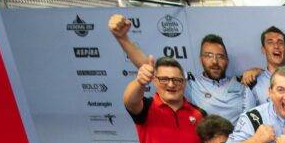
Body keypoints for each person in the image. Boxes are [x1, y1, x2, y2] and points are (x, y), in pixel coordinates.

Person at [108, 15, 252, 124]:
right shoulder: (190, 84)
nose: (214, 61)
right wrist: (123, 38)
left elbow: (264, 79)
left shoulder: (241, 83)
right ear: (201, 59)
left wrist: (256, 71)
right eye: (208, 55)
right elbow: (151, 70)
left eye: (220, 56)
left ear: (227, 60)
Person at [242, 26, 285, 106]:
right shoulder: (253, 83)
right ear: (263, 50)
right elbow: (248, 113)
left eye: (280, 42)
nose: (276, 46)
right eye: (270, 42)